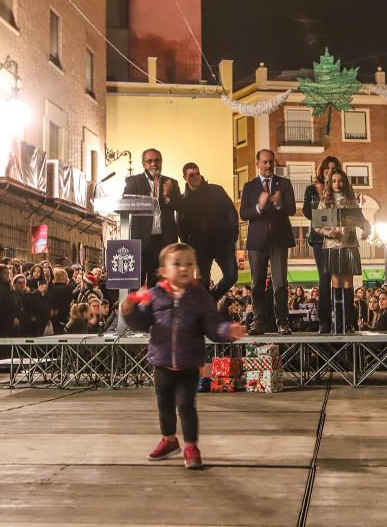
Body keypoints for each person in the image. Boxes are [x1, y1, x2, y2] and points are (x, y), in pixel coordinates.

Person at [122, 243, 246, 469]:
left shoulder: (200, 297)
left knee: (186, 405)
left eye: (189, 263)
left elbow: (213, 326)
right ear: (163, 271)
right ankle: (169, 440)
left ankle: (191, 446)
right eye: (177, 264)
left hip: (189, 364)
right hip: (161, 363)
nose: (183, 268)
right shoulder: (154, 295)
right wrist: (128, 311)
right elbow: (141, 323)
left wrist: (228, 331)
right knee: (164, 405)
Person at [239, 149, 296, 335]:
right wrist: (259, 207)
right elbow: (244, 213)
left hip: (279, 240)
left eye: (271, 162)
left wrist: (279, 204)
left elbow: (292, 209)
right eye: (265, 162)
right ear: (257, 163)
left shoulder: (284, 184)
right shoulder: (249, 186)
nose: (269, 165)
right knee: (256, 284)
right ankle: (258, 322)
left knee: (280, 283)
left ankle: (282, 322)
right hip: (257, 241)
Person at [314, 169, 370, 333]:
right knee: (336, 282)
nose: (337, 184)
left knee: (348, 283)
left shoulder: (351, 201)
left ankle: (348, 323)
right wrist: (329, 232)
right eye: (334, 181)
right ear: (329, 184)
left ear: (345, 183)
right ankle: (337, 324)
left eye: (340, 181)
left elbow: (363, 222)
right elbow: (317, 226)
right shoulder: (324, 202)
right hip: (332, 246)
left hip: (350, 245)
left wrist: (367, 230)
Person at [178, 162, 239, 300]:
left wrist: (233, 235)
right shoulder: (183, 200)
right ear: (185, 178)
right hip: (199, 248)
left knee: (231, 276)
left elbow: (231, 212)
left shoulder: (217, 191)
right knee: (202, 282)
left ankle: (210, 300)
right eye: (191, 175)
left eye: (197, 173)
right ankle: (205, 313)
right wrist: (188, 245)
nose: (196, 177)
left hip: (223, 243)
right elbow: (181, 226)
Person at [123, 148, 183, 287]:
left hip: (164, 242)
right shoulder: (134, 181)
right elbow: (125, 204)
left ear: (161, 163)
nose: (153, 164)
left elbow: (182, 207)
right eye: (149, 161)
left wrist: (168, 197)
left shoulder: (171, 183)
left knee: (158, 286)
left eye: (157, 160)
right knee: (136, 285)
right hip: (141, 242)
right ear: (143, 164)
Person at [303, 156, 341, 334]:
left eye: (334, 169)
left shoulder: (340, 188)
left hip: (340, 240)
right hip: (319, 239)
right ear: (321, 171)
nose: (330, 172)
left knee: (340, 279)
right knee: (325, 278)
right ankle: (324, 322)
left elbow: (343, 214)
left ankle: (342, 321)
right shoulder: (311, 189)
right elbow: (310, 215)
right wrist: (319, 197)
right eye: (327, 169)